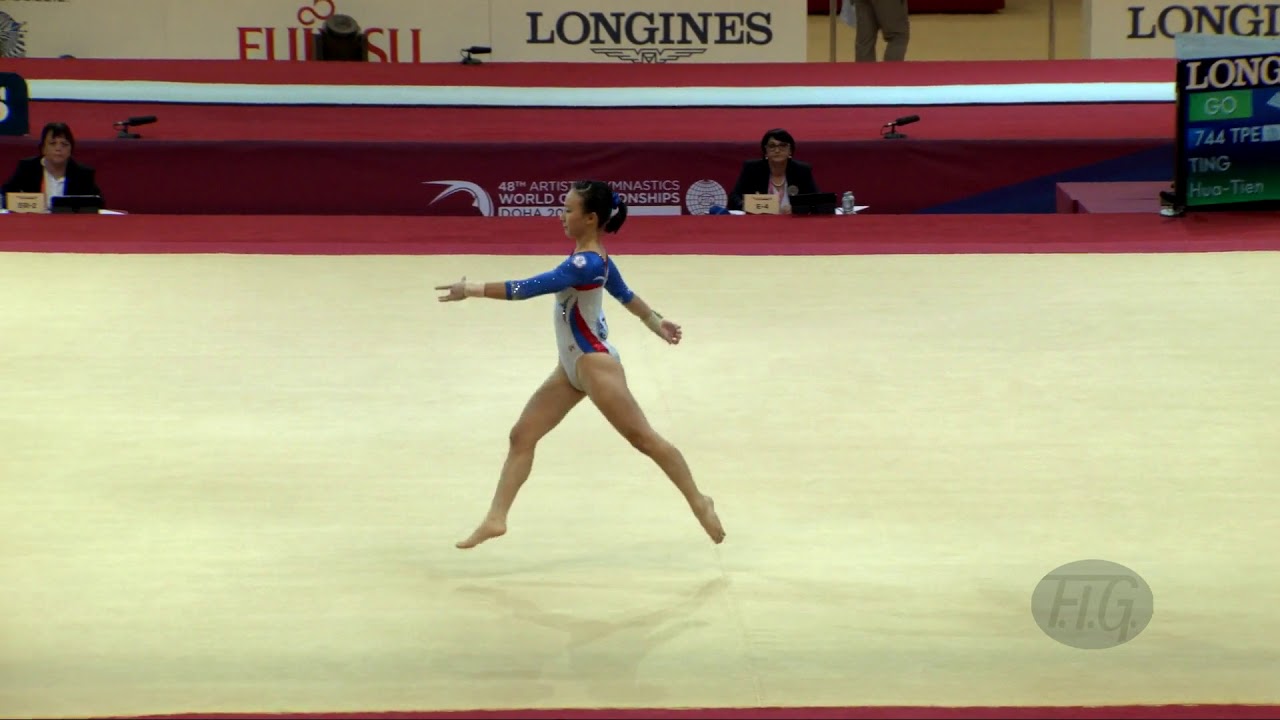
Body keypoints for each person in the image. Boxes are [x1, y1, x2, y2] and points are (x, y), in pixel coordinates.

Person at [435, 180, 726, 549]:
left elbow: (528, 287)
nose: (562, 216)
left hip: (594, 365)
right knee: (522, 435)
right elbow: (626, 295)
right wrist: (656, 322)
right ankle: (496, 519)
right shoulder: (597, 259)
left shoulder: (585, 264)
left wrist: (472, 289)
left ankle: (700, 502)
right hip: (571, 368)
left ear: (590, 218)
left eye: (568, 210)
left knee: (645, 440)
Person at [1, 122, 104, 211]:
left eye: (64, 144)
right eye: (53, 143)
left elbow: (98, 203)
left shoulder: (82, 173)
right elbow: (5, 196)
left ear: (71, 150)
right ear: (43, 148)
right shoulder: (28, 168)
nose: (58, 148)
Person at [727, 128, 819, 214]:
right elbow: (734, 198)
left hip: (793, 223)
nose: (777, 150)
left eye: (782, 145)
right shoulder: (752, 169)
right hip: (760, 223)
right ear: (765, 151)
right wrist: (746, 206)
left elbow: (818, 201)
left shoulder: (802, 171)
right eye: (772, 146)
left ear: (790, 151)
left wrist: (797, 209)